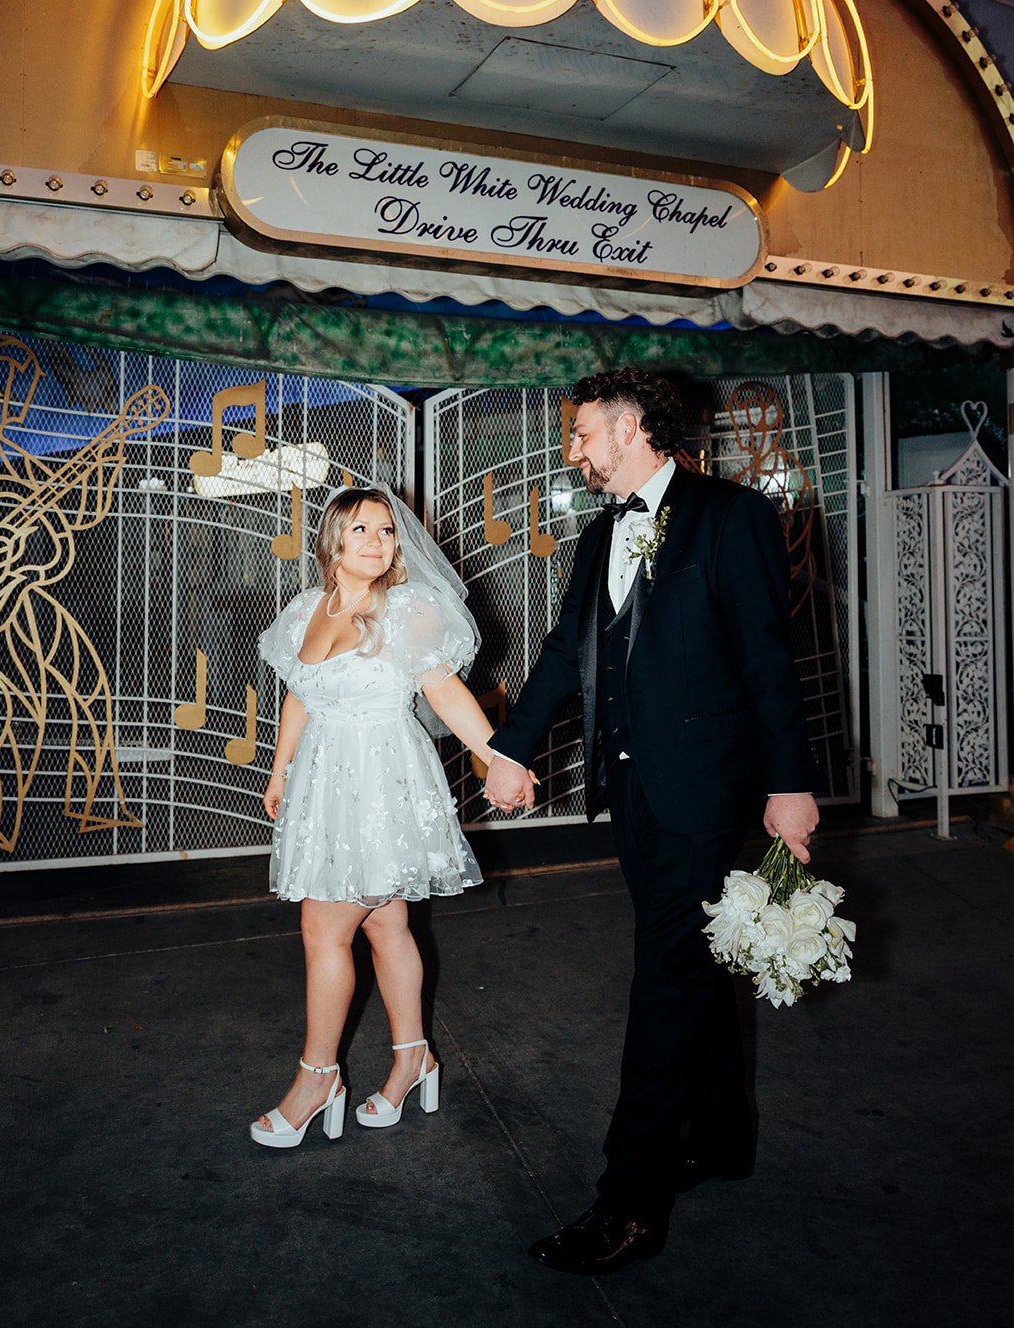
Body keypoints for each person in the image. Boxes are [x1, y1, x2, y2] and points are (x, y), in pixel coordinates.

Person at [484, 368, 819, 1275]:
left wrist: (788, 783)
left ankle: (628, 1205)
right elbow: (565, 653)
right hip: (630, 790)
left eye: (583, 434)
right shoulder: (598, 537)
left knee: (664, 979)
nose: (574, 451)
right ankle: (720, 1140)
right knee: (697, 961)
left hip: (705, 792)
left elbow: (764, 658)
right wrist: (511, 748)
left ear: (631, 428)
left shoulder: (731, 514)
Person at [250, 486, 520, 1148]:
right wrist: (279, 769)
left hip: (381, 785)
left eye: (388, 532)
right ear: (333, 541)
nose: (377, 542)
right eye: (362, 529)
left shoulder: (407, 611)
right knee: (386, 925)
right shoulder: (306, 610)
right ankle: (412, 1059)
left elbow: (448, 696)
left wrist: (497, 758)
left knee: (322, 929)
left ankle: (317, 1079)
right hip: (323, 784)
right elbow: (298, 696)